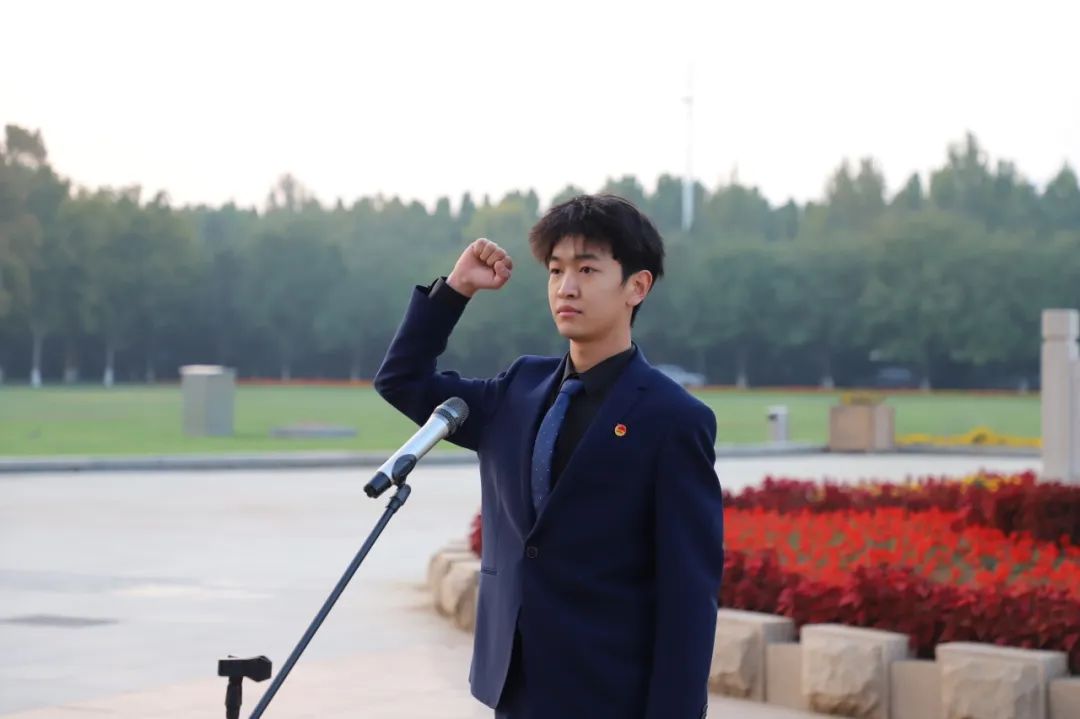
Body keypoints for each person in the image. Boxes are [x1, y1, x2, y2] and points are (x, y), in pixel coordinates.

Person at [374, 194, 724, 718]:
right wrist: (456, 289)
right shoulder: (517, 390)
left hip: (610, 697)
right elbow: (402, 380)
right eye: (556, 270)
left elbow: (688, 597)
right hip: (514, 688)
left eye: (587, 269)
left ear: (637, 286)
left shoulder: (673, 419)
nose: (566, 287)